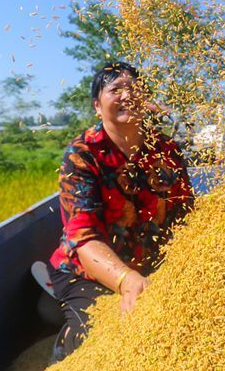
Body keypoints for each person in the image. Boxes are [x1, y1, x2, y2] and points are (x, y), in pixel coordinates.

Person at [48, 62, 194, 361]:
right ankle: (62, 349)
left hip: (152, 266)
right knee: (106, 332)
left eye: (135, 89)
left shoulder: (166, 151)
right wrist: (126, 281)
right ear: (97, 106)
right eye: (115, 89)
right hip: (87, 273)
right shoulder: (82, 156)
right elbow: (84, 237)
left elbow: (186, 216)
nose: (127, 95)